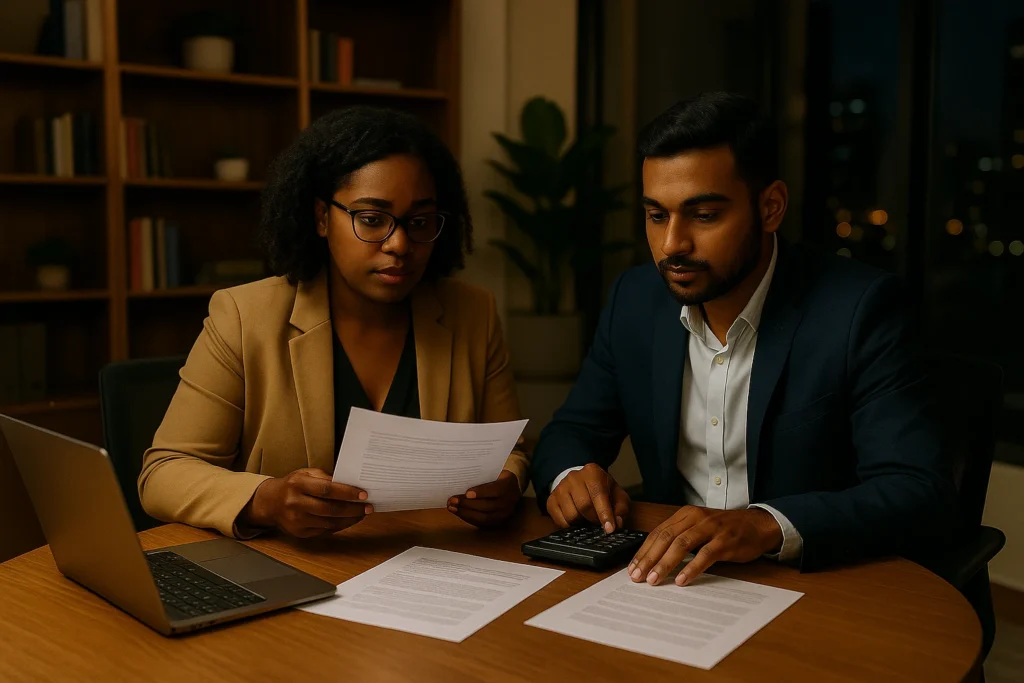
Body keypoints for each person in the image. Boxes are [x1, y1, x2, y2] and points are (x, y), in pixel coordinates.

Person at [530, 91, 956, 586]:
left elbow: (917, 490)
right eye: (656, 215)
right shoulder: (635, 300)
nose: (673, 244)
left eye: (704, 215)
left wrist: (763, 525)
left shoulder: (860, 310)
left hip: (813, 585)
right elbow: (570, 432)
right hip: (672, 586)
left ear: (771, 207)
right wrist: (571, 478)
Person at [139, 106, 529, 539]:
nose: (399, 244)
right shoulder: (243, 316)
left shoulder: (472, 313)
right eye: (372, 219)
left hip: (437, 569)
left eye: (418, 222)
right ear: (323, 217)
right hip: (297, 573)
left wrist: (506, 484)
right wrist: (266, 500)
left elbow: (511, 451)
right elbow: (163, 473)